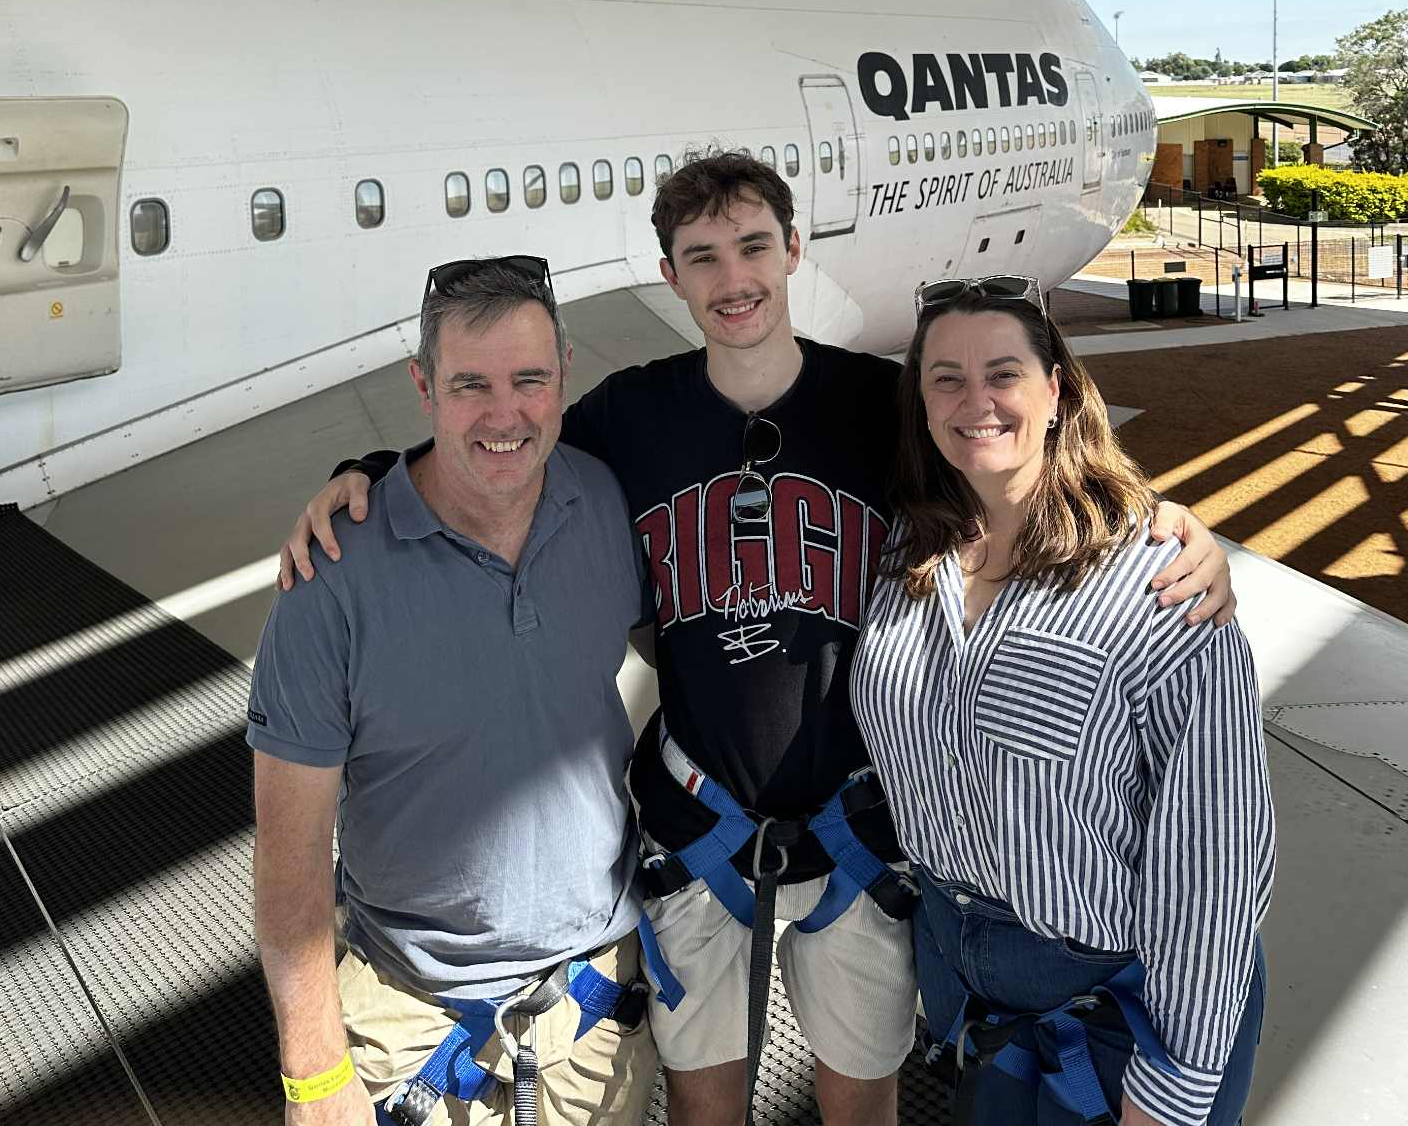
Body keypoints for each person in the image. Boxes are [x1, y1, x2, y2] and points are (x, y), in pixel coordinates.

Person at [282, 153, 1234, 1126]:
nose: (732, 278)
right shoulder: (629, 414)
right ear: (671, 276)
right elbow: (496, 447)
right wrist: (368, 472)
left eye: (751, 248)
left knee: (861, 1096)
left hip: (855, 825)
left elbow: (1012, 449)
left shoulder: (879, 400)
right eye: (702, 256)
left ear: (792, 251)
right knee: (705, 1100)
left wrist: (1155, 523)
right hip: (701, 823)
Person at [850, 276, 1274, 1126]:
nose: (977, 402)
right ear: (922, 403)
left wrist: (1176, 1081)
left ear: (1056, 390)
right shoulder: (907, 552)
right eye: (946, 379)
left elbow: (1217, 857)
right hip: (972, 992)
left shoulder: (1156, 581)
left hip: (1120, 1015)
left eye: (1003, 373)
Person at [249, 257, 658, 1126]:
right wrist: (316, 1073)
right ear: (422, 386)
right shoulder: (331, 581)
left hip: (594, 1008)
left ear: (564, 378)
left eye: (530, 381)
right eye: (470, 384)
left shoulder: (604, 505)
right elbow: (289, 850)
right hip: (412, 1019)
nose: (505, 415)